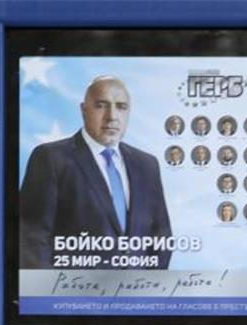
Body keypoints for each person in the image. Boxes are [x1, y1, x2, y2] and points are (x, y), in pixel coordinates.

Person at [19, 76, 173, 268]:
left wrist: (146, 292)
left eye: (121, 107)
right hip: (72, 294)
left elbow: (161, 238)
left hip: (135, 294)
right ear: (84, 110)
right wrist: (49, 296)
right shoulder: (50, 158)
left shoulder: (147, 165)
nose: (112, 116)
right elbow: (32, 239)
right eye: (101, 105)